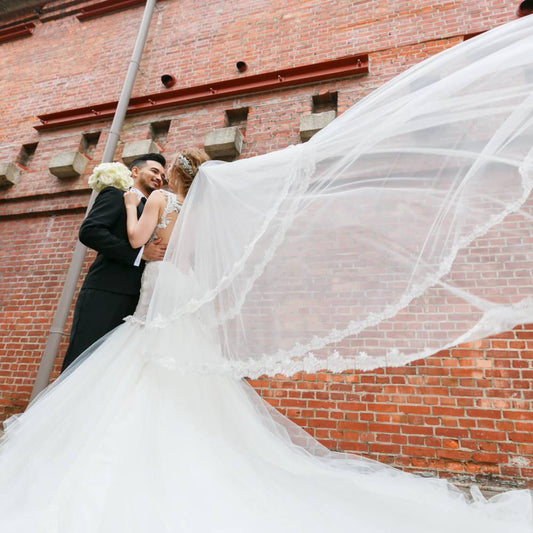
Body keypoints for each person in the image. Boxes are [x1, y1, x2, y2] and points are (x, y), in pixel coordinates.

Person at [1, 17, 533, 533]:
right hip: (181, 288)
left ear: (171, 179)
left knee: (137, 360)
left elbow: (140, 243)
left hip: (159, 286)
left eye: (164, 173)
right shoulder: (201, 212)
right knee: (176, 368)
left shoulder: (156, 198)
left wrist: (142, 209)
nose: (159, 176)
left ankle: (102, 444)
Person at [61, 153, 167, 372]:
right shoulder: (116, 195)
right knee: (84, 359)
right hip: (106, 292)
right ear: (135, 172)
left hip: (138, 301)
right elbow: (90, 231)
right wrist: (139, 255)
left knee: (112, 369)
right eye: (155, 171)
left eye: (163, 176)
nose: (160, 178)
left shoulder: (155, 210)